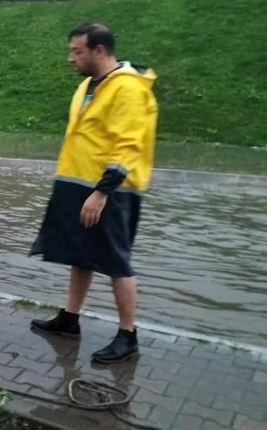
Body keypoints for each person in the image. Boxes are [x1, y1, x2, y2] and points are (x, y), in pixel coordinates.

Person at [29, 22, 158, 364]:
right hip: (77, 185)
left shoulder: (128, 89)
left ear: (99, 50)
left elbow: (129, 144)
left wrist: (103, 192)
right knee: (78, 254)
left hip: (109, 191)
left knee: (117, 262)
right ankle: (70, 320)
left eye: (77, 51)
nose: (71, 58)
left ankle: (128, 335)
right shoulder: (89, 85)